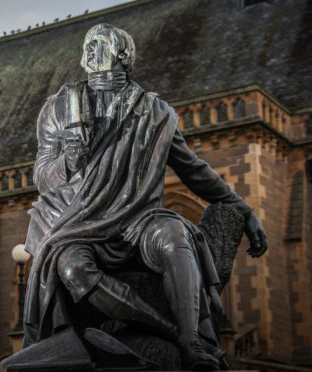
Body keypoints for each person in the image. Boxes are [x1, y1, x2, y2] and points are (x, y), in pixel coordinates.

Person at [22, 23, 267, 369]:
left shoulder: (154, 112)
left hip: (138, 219)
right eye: (88, 47)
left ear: (123, 55)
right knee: (72, 267)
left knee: (175, 235)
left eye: (99, 46)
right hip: (81, 221)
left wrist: (241, 206)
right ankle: (169, 330)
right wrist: (69, 160)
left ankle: (190, 336)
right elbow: (42, 174)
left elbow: (192, 169)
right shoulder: (60, 107)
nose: (90, 53)